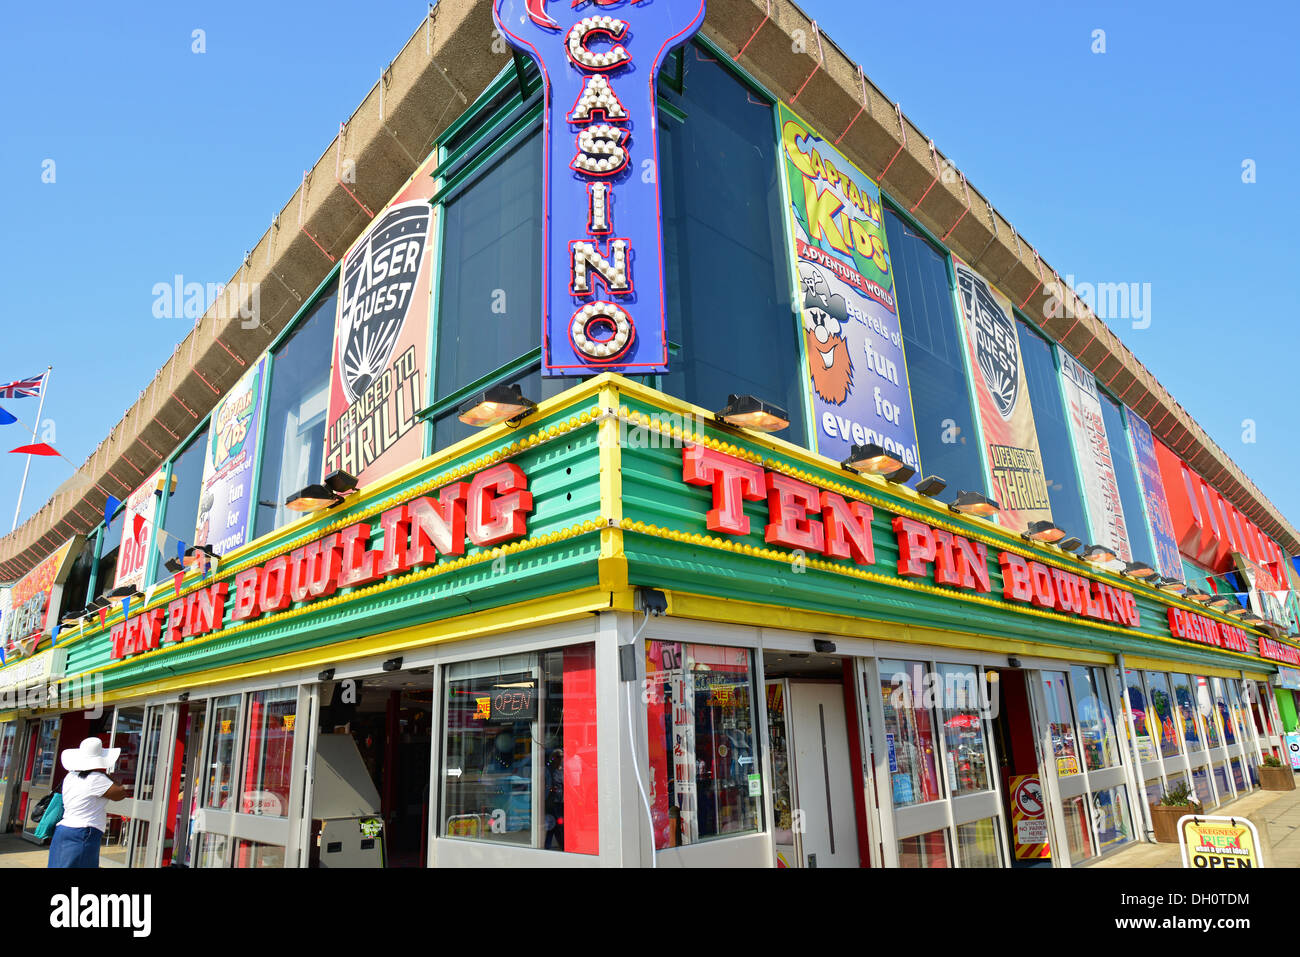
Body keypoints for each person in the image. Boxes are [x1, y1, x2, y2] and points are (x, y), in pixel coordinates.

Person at [48, 737, 129, 869]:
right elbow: (120, 793)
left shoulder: (70, 776)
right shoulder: (97, 778)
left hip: (64, 829)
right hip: (84, 832)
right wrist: (104, 773)